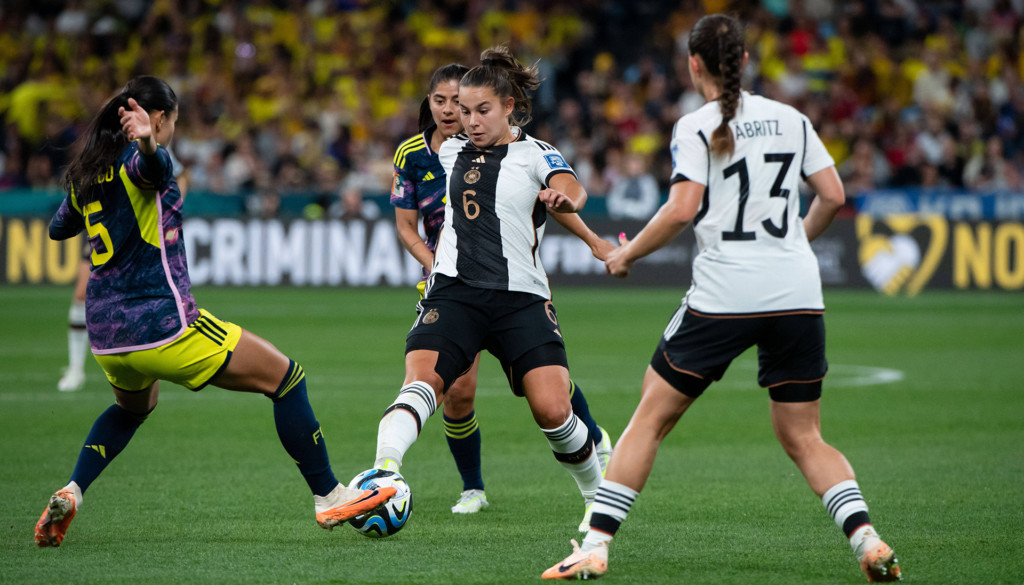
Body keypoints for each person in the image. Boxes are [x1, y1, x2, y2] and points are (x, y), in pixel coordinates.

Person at [544, 15, 901, 582]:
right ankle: (868, 541)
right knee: (804, 435)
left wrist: (627, 254)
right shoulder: (793, 119)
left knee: (650, 418)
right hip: (797, 293)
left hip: (725, 294)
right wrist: (791, 244)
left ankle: (594, 546)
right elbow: (833, 196)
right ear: (745, 61)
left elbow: (682, 210)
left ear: (693, 65)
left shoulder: (696, 125)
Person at [35, 76, 395, 548]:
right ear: (158, 118)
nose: (172, 129)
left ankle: (72, 490)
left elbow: (58, 228)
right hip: (161, 323)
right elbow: (153, 167)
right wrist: (147, 144)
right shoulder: (143, 160)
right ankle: (329, 495)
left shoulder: (91, 171)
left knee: (132, 409)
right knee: (287, 379)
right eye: (172, 121)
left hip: (105, 335)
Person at [375, 47, 606, 531]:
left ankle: (596, 497)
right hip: (454, 291)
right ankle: (384, 473)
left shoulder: (537, 153)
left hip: (520, 297)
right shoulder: (448, 148)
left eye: (482, 111)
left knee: (553, 410)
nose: (470, 121)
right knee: (422, 384)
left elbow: (572, 188)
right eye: (464, 111)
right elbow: (418, 154)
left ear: (508, 106)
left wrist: (567, 201)